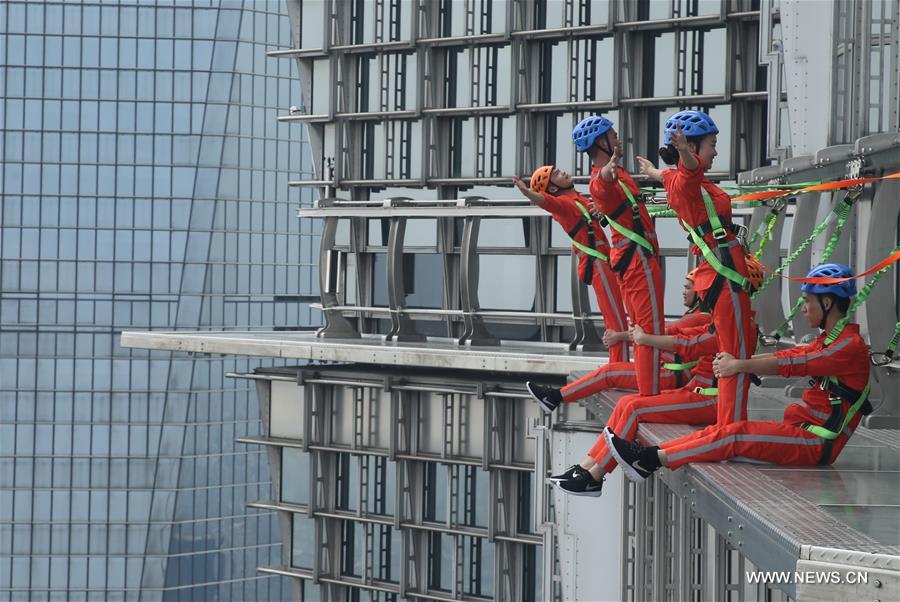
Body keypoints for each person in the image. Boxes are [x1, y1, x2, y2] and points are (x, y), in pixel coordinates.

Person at [603, 264, 872, 483]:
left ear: (827, 303)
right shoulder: (830, 339)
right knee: (724, 431)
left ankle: (649, 460)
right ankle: (647, 456)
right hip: (801, 431)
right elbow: (789, 357)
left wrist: (738, 365)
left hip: (816, 444)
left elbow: (794, 362)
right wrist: (740, 363)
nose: (803, 308)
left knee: (734, 435)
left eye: (807, 301)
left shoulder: (848, 346)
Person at [636, 110, 758, 426]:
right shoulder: (688, 181)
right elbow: (687, 172)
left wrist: (652, 172)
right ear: (693, 147)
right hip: (724, 274)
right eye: (711, 144)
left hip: (721, 273)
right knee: (735, 354)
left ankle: (730, 424)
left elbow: (671, 176)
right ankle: (730, 427)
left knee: (734, 350)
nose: (716, 151)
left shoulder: (682, 180)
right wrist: (685, 153)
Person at [549, 288, 720, 496]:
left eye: (692, 287)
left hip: (707, 398)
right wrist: (641, 333)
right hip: (693, 390)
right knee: (626, 402)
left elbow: (688, 343)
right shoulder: (716, 323)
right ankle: (586, 468)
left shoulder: (722, 324)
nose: (691, 291)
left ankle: (594, 475)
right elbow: (681, 334)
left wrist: (643, 337)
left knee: (633, 406)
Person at [526, 270, 710, 413]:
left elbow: (653, 333)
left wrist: (618, 336)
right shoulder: (694, 316)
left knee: (608, 374)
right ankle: (555, 396)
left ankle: (555, 397)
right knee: (609, 373)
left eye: (688, 287)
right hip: (665, 371)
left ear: (700, 292)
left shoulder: (699, 318)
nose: (684, 292)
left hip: (668, 376)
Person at [574, 115, 665, 396]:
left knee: (642, 328)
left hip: (631, 260)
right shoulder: (604, 178)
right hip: (637, 260)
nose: (618, 138)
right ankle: (649, 395)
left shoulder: (621, 175)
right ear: (600, 143)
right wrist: (606, 173)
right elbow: (600, 185)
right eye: (612, 135)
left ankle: (644, 389)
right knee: (650, 330)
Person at [512, 166, 629, 364]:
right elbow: (547, 202)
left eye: (559, 170)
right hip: (599, 263)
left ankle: (621, 365)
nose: (563, 173)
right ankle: (619, 366)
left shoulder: (579, 198)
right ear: (554, 188)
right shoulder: (563, 204)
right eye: (557, 174)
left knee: (620, 315)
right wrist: (527, 193)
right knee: (615, 318)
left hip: (608, 260)